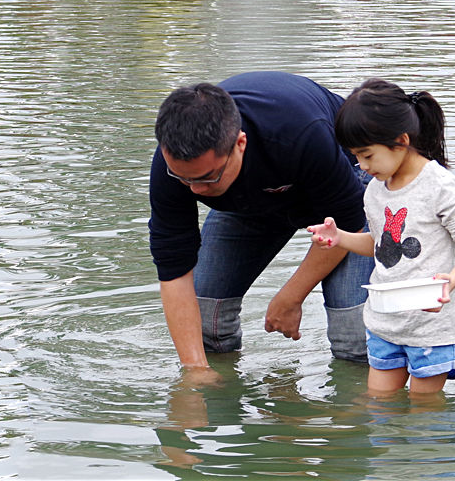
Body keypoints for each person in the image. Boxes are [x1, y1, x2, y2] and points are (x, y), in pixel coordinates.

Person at [149, 72, 375, 369]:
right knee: (207, 325)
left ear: (240, 143)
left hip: (346, 191)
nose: (196, 191)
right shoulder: (172, 168)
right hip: (252, 201)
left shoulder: (300, 133)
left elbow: (348, 222)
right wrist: (195, 374)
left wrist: (291, 297)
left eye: (207, 178)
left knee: (354, 335)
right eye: (185, 180)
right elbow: (173, 268)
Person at [307, 79, 455, 395]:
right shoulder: (375, 190)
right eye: (355, 156)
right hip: (385, 321)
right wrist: (340, 237)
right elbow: (381, 245)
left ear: (401, 141)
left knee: (424, 416)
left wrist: (450, 281)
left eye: (367, 155)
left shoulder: (440, 186)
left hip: (432, 325)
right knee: (379, 406)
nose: (361, 166)